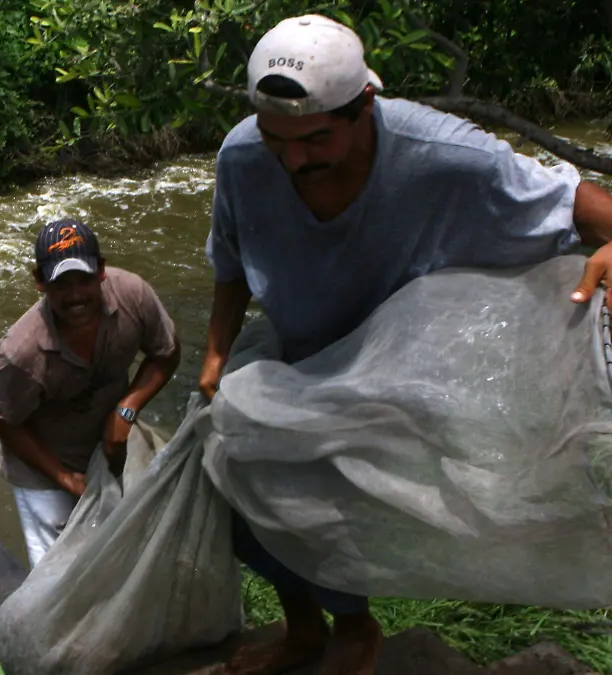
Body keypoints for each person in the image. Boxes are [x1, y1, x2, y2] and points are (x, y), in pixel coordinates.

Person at [200, 14, 612, 675]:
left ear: (364, 104)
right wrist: (216, 353)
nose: (294, 160)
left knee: (330, 509)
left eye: (314, 139)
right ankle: (305, 630)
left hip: (396, 365)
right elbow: (229, 258)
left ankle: (354, 631)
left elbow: (574, 203)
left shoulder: (447, 153)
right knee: (238, 486)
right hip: (299, 349)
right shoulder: (246, 157)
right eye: (278, 140)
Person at [0, 219, 181, 567]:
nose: (76, 296)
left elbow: (166, 352)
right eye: (61, 284)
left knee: (127, 550)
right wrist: (63, 478)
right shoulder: (20, 354)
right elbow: (3, 419)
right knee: (58, 574)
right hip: (41, 466)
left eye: (84, 280)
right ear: (40, 283)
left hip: (107, 448)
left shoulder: (133, 295)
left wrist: (127, 408)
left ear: (102, 271)